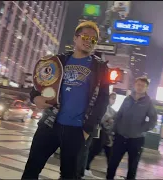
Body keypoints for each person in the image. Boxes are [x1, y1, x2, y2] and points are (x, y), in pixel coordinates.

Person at [22, 21, 110, 179]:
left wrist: (87, 129)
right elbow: (39, 84)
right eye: (85, 36)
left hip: (77, 130)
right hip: (50, 124)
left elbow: (103, 101)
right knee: (31, 169)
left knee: (69, 176)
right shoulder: (58, 61)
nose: (89, 41)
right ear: (75, 38)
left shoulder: (100, 67)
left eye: (93, 39)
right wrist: (36, 98)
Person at [107, 77, 157, 180]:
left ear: (146, 88)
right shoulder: (127, 99)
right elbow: (119, 115)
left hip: (136, 139)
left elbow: (153, 119)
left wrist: (142, 128)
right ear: (135, 85)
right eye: (138, 85)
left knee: (132, 166)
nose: (140, 87)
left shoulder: (148, 102)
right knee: (113, 163)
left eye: (143, 86)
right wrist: (113, 130)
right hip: (121, 136)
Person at [82, 92, 117, 178]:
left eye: (114, 99)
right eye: (112, 98)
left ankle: (111, 174)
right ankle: (85, 168)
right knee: (94, 150)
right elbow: (101, 118)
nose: (113, 100)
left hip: (107, 134)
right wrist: (107, 120)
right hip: (99, 132)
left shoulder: (112, 110)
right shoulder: (103, 107)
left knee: (109, 153)